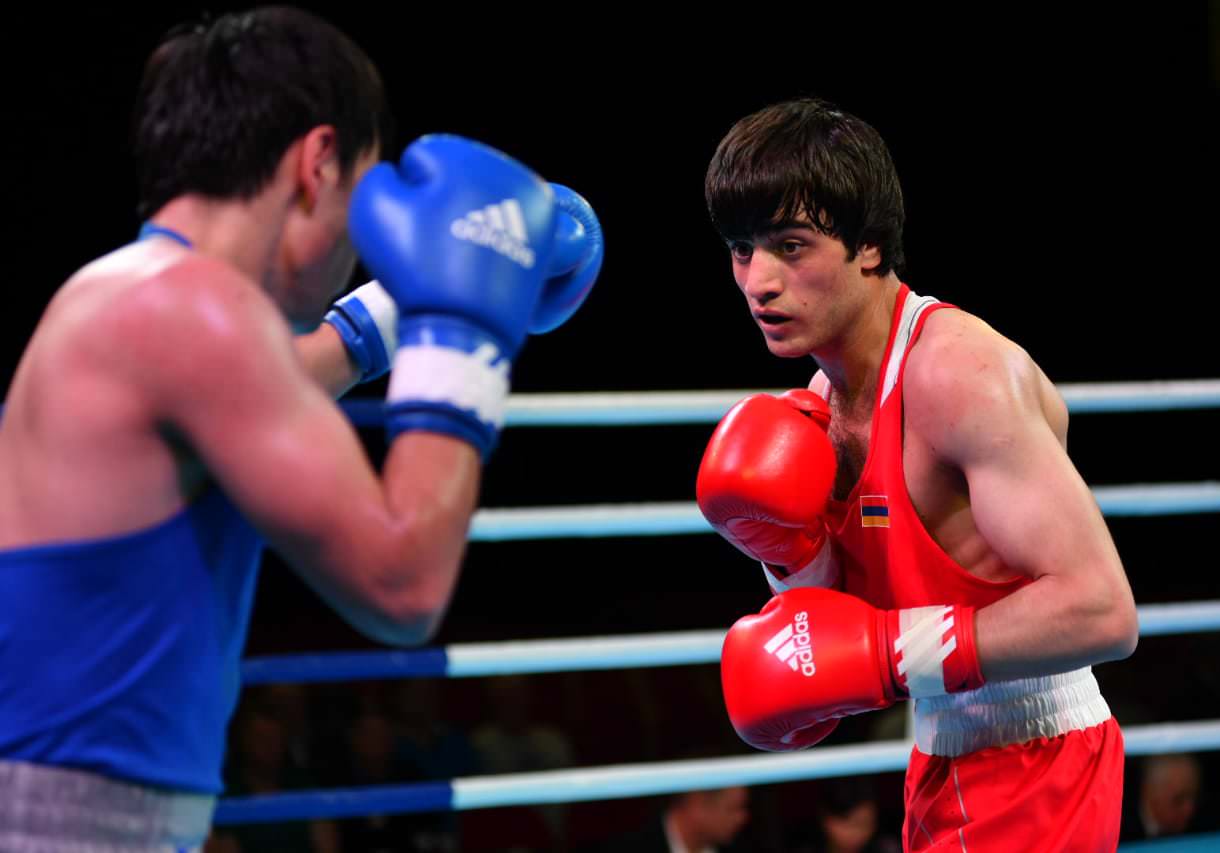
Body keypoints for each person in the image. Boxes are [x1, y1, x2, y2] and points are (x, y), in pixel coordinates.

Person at [0, 6, 603, 850]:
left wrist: (409, 299)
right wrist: (462, 329)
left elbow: (291, 370)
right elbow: (403, 583)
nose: (360, 243)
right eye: (361, 195)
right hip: (69, 814)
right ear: (318, 163)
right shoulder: (194, 312)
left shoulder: (133, 295)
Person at [696, 98, 1137, 851]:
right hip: (940, 751)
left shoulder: (958, 375)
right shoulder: (821, 406)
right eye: (742, 249)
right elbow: (848, 632)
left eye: (791, 246)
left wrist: (888, 654)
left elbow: (1103, 611)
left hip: (1038, 760)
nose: (758, 281)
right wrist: (791, 556)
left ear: (869, 245)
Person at [596, 786, 750, 853]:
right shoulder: (628, 848)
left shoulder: (742, 848)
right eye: (734, 808)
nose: (742, 818)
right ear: (697, 802)